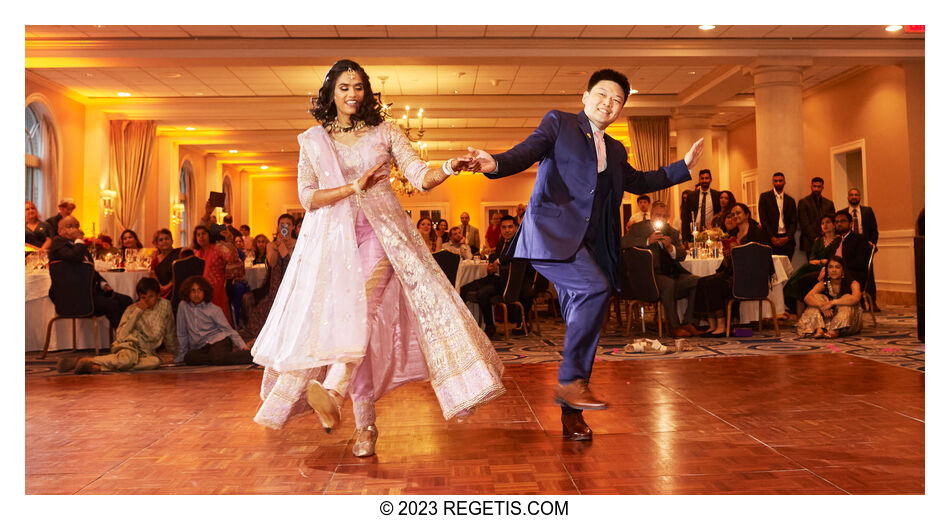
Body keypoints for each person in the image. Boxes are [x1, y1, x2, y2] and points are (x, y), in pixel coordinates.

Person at [250, 59, 504, 458]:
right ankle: (365, 424)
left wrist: (450, 167)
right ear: (330, 92)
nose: (353, 94)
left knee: (363, 312)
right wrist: (353, 186)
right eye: (344, 87)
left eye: (359, 87)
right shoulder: (312, 141)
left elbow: (419, 176)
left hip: (384, 236)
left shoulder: (386, 132)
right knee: (353, 328)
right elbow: (307, 198)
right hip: (333, 244)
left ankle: (333, 390)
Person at [462, 68, 702, 441]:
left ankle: (572, 412)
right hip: (551, 237)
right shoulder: (559, 124)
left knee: (583, 322)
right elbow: (526, 152)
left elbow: (640, 182)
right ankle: (570, 383)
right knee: (595, 289)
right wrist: (495, 163)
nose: (609, 103)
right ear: (585, 97)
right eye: (603, 94)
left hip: (591, 248)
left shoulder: (617, 149)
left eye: (617, 99)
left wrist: (682, 167)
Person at [58, 278, 177, 374]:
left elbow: (169, 331)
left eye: (151, 297)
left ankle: (96, 367)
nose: (147, 301)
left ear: (158, 295)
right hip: (129, 346)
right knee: (126, 360)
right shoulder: (131, 310)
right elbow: (121, 336)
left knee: (155, 362)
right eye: (143, 298)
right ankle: (86, 360)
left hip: (146, 352)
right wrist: (138, 312)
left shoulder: (165, 306)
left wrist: (175, 353)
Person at [622, 201, 702, 338]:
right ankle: (674, 327)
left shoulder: (672, 232)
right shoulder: (638, 228)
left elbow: (682, 255)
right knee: (668, 284)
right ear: (651, 215)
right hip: (648, 276)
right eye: (658, 215)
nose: (661, 218)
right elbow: (623, 243)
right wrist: (647, 241)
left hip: (672, 273)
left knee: (697, 282)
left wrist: (671, 248)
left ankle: (690, 322)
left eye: (664, 216)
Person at [693, 203, 769, 337]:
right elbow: (728, 264)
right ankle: (713, 325)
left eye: (738, 213)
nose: (735, 216)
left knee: (714, 283)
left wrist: (739, 249)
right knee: (703, 281)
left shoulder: (756, 233)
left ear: (747, 214)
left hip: (749, 277)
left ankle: (722, 325)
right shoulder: (732, 234)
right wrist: (727, 255)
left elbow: (760, 258)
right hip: (733, 274)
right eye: (733, 214)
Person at [48, 216, 133, 330]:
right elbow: (75, 257)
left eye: (77, 226)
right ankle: (124, 340)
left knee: (126, 300)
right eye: (70, 226)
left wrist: (103, 284)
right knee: (112, 305)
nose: (75, 229)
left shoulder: (78, 246)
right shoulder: (58, 244)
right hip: (73, 298)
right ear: (60, 231)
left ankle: (129, 336)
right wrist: (79, 240)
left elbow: (89, 268)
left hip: (89, 293)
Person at [460, 215, 533, 339]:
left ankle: (490, 326)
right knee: (464, 288)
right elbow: (496, 257)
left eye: (510, 227)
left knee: (482, 294)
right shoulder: (502, 242)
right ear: (500, 229)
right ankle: (463, 326)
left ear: (516, 228)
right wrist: (490, 265)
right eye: (504, 227)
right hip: (494, 278)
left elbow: (509, 259)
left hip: (507, 283)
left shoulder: (520, 243)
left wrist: (497, 264)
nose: (507, 230)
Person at [176, 275, 254, 366]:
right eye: (193, 290)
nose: (196, 294)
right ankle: (220, 359)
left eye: (199, 290)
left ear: (205, 292)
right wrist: (181, 355)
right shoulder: (183, 306)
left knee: (218, 357)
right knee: (189, 358)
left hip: (219, 340)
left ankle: (251, 356)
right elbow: (182, 333)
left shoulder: (214, 309)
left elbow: (228, 330)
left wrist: (242, 346)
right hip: (201, 346)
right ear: (187, 292)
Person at [243, 214, 296, 337]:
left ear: (293, 227)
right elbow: (272, 263)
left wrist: (287, 246)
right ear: (278, 227)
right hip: (276, 283)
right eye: (282, 224)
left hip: (293, 282)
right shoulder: (271, 245)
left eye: (288, 224)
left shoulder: (298, 243)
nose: (285, 227)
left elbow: (294, 262)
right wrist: (279, 244)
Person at [784, 214, 839, 317]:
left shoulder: (838, 240)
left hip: (829, 269)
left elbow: (834, 259)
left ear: (834, 224)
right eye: (822, 223)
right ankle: (792, 300)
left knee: (804, 270)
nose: (825, 225)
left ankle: (788, 290)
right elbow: (812, 260)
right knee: (805, 271)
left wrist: (823, 262)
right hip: (814, 267)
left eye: (828, 222)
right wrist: (823, 261)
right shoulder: (818, 241)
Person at [797, 256, 863, 338]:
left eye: (837, 267)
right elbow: (807, 298)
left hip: (849, 320)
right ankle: (819, 328)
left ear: (843, 270)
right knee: (817, 298)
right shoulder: (824, 284)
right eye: (830, 267)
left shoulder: (853, 283)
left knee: (846, 299)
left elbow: (855, 298)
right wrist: (822, 306)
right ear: (827, 270)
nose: (834, 270)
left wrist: (832, 303)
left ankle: (835, 330)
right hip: (827, 316)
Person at [191, 224, 243, 327]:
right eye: (198, 235)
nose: (201, 236)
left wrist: (229, 242)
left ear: (209, 235)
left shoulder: (217, 248)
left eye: (204, 234)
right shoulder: (196, 253)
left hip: (216, 287)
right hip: (200, 287)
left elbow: (231, 257)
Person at [843, 188, 880, 311]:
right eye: (851, 195)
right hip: (849, 248)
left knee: (869, 275)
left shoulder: (867, 211)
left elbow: (874, 230)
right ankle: (859, 301)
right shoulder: (842, 212)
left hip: (865, 248)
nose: (854, 197)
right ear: (848, 197)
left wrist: (872, 244)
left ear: (860, 197)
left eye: (856, 195)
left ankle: (872, 301)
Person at [758, 172, 798, 260]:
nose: (778, 183)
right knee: (771, 267)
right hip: (770, 239)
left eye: (780, 181)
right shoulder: (765, 197)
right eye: (775, 181)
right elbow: (763, 220)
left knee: (786, 269)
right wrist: (772, 237)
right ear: (773, 182)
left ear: (784, 182)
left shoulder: (790, 200)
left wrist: (787, 237)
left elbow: (793, 222)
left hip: (787, 240)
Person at [797, 177, 836, 253]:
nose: (816, 189)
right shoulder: (804, 202)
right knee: (813, 263)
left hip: (827, 239)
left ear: (822, 188)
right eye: (814, 186)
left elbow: (832, 221)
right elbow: (804, 223)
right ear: (811, 187)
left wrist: (826, 238)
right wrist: (815, 238)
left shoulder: (829, 203)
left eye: (819, 187)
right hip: (809, 241)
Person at [680, 169, 720, 241]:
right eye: (702, 178)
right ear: (699, 180)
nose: (704, 180)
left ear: (710, 179)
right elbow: (685, 218)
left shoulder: (717, 195)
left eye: (706, 178)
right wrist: (685, 239)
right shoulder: (691, 196)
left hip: (711, 233)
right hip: (695, 233)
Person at [148, 228, 181, 299]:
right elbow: (154, 276)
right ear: (156, 244)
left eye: (167, 239)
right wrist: (160, 287)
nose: (164, 241)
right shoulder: (155, 260)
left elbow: (180, 274)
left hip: (176, 289)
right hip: (160, 290)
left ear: (172, 241)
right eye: (161, 240)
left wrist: (169, 285)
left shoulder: (179, 254)